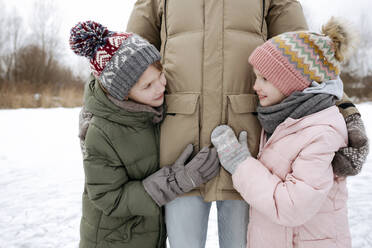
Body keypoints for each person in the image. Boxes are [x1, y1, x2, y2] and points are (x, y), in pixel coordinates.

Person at [126, 1, 368, 247]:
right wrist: (97, 110)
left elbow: (305, 60)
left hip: (248, 146)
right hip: (179, 148)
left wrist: (346, 112)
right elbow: (128, 61)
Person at [211, 17, 368, 248]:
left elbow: (293, 206)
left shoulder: (321, 133)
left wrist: (240, 164)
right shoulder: (283, 119)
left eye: (265, 78)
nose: (255, 86)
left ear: (296, 83)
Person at [69, 21, 220, 248]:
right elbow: (108, 197)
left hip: (144, 234)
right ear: (123, 95)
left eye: (159, 75)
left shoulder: (148, 110)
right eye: (147, 86)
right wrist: (175, 182)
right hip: (113, 240)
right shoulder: (101, 133)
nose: (160, 87)